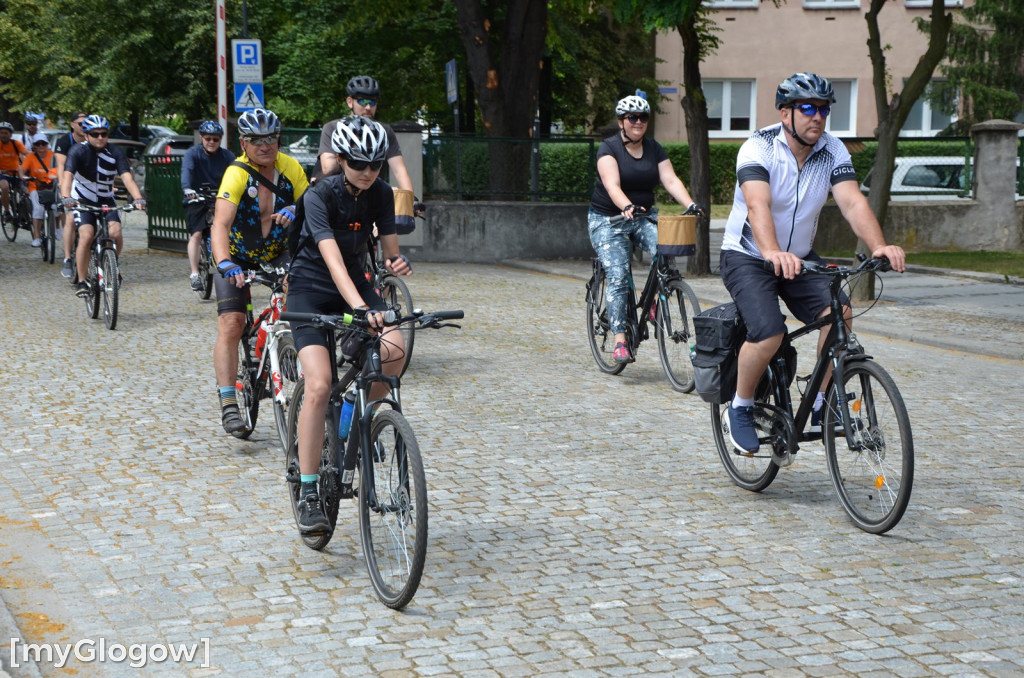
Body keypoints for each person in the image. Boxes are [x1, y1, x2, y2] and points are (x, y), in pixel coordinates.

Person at [719, 73, 907, 454]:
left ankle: (822, 404)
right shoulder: (759, 147)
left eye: (823, 109)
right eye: (808, 108)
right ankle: (740, 406)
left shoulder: (833, 150)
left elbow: (852, 201)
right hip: (749, 256)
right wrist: (771, 251)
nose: (817, 117)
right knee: (770, 332)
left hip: (800, 259)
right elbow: (758, 204)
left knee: (840, 313)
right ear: (785, 112)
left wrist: (879, 245)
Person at [287, 115, 411, 535]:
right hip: (311, 286)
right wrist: (360, 307)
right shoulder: (318, 195)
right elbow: (332, 258)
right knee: (320, 384)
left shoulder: (380, 193)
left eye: (376, 164)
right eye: (359, 163)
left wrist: (396, 262)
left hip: (356, 285)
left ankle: (350, 428)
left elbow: (389, 250)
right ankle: (307, 491)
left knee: (395, 349)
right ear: (340, 159)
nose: (368, 171)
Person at [210, 107, 309, 434]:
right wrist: (224, 263)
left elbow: (314, 208)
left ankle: (296, 369)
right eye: (256, 140)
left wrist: (297, 209)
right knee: (232, 322)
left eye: (271, 138)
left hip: (277, 253)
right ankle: (228, 402)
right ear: (243, 142)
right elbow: (220, 225)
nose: (265, 145)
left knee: (300, 311)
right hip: (237, 256)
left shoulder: (290, 167)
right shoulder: (236, 173)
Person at [588, 94, 703, 364]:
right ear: (621, 122)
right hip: (608, 220)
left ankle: (653, 301)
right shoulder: (608, 149)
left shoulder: (654, 148)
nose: (638, 122)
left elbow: (670, 179)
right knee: (617, 274)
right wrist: (626, 205)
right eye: (632, 117)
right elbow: (612, 185)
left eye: (643, 117)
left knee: (665, 249)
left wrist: (691, 203)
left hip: (642, 216)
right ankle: (619, 340)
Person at [60, 115, 147, 297]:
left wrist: (138, 198)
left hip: (106, 199)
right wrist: (66, 197)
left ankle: (112, 264)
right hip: (82, 200)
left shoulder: (115, 152)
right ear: (86, 135)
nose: (100, 137)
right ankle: (82, 281)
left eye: (104, 134)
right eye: (95, 134)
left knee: (115, 233)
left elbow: (126, 177)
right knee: (86, 235)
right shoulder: (77, 151)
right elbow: (67, 175)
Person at [311, 76, 414, 196]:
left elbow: (399, 170)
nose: (368, 107)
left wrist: (410, 199)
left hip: (371, 194)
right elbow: (328, 168)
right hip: (337, 194)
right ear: (350, 102)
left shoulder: (384, 131)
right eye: (362, 102)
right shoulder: (333, 127)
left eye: (373, 102)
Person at [181, 120, 235, 291]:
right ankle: (195, 273)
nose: (211, 142)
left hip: (219, 198)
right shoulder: (192, 154)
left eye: (215, 139)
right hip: (196, 198)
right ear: (202, 138)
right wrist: (187, 189)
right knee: (196, 234)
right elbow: (187, 171)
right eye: (208, 138)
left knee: (229, 230)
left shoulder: (227, 156)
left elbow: (236, 173)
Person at [55, 112, 88, 279]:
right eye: (81, 123)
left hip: (88, 185)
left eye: (86, 123)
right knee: (70, 219)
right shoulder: (64, 141)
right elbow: (61, 167)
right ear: (72, 125)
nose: (84, 126)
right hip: (70, 182)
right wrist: (64, 191)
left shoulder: (93, 139)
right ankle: (67, 258)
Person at [18, 134, 58, 247]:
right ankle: (36, 237)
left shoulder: (53, 155)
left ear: (47, 144)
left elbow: (59, 168)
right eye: (37, 144)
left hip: (51, 187)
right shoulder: (30, 157)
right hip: (35, 186)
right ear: (34, 146)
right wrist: (23, 177)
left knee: (58, 207)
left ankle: (57, 228)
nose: (41, 146)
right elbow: (22, 170)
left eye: (43, 144)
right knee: (38, 209)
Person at [0, 121, 28, 220]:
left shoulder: (16, 144)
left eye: (6, 133)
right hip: (3, 174)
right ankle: (7, 212)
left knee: (25, 192)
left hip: (16, 173)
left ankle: (23, 212)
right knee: (4, 187)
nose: (3, 135)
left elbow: (27, 154)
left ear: (10, 134)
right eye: (1, 133)